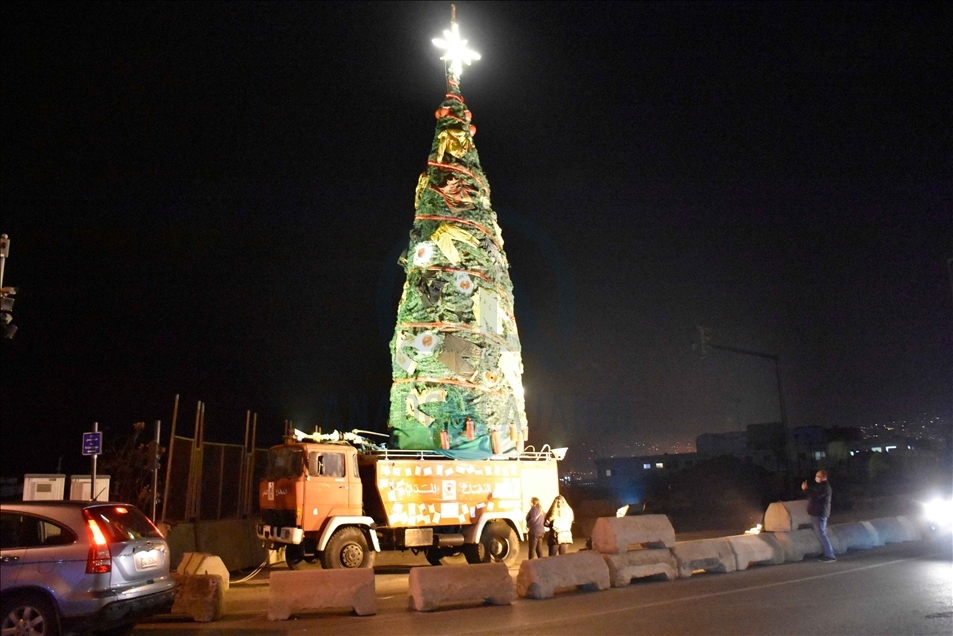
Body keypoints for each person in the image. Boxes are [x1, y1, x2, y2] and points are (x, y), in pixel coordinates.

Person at [802, 469, 836, 562]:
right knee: (820, 533)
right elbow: (813, 494)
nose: (816, 478)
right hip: (817, 512)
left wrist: (805, 490)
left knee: (821, 533)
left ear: (824, 477)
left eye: (819, 476)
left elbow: (814, 496)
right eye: (816, 476)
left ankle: (830, 555)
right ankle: (826, 552)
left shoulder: (825, 487)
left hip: (819, 513)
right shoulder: (821, 486)